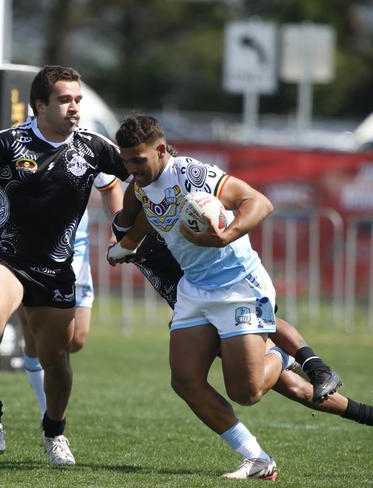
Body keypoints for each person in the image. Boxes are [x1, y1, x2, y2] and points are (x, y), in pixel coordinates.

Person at [0, 65, 129, 465]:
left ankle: (54, 432)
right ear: (40, 105)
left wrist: (133, 227)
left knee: (57, 358)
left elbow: (142, 174)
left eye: (77, 99)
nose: (74, 107)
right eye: (64, 100)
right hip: (7, 255)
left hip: (58, 267)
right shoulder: (11, 141)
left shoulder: (94, 147)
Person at [108, 199, 373, 453]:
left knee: (262, 347)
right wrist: (121, 250)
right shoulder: (128, 226)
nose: (140, 182)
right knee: (291, 388)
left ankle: (298, 358)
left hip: (225, 294)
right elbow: (124, 236)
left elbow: (213, 220)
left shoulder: (169, 212)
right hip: (196, 311)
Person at [111, 114, 295, 479]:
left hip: (237, 284)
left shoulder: (193, 175)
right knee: (184, 379)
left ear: (161, 150)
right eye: (127, 161)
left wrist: (228, 234)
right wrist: (123, 247)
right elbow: (147, 217)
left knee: (248, 392)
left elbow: (259, 202)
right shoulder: (141, 185)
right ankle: (257, 458)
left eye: (138, 160)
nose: (132, 169)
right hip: (195, 289)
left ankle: (282, 355)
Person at [0, 169, 123, 420]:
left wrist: (118, 228)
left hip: (76, 251)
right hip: (29, 254)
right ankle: (46, 412)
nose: (72, 125)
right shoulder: (19, 144)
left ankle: (37, 362)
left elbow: (112, 185)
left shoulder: (89, 145)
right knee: (37, 338)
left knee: (76, 339)